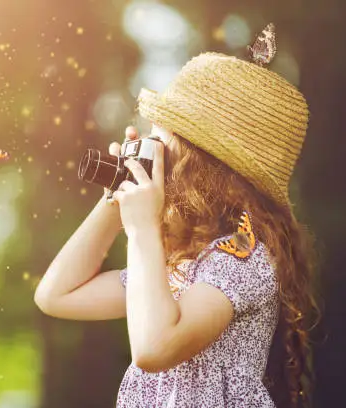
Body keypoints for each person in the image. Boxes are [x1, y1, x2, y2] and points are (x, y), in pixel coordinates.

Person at [34, 51, 319, 407]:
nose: (155, 163)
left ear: (199, 166)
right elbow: (56, 295)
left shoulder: (244, 258)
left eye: (162, 149)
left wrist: (141, 230)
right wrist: (114, 199)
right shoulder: (179, 263)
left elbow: (155, 348)